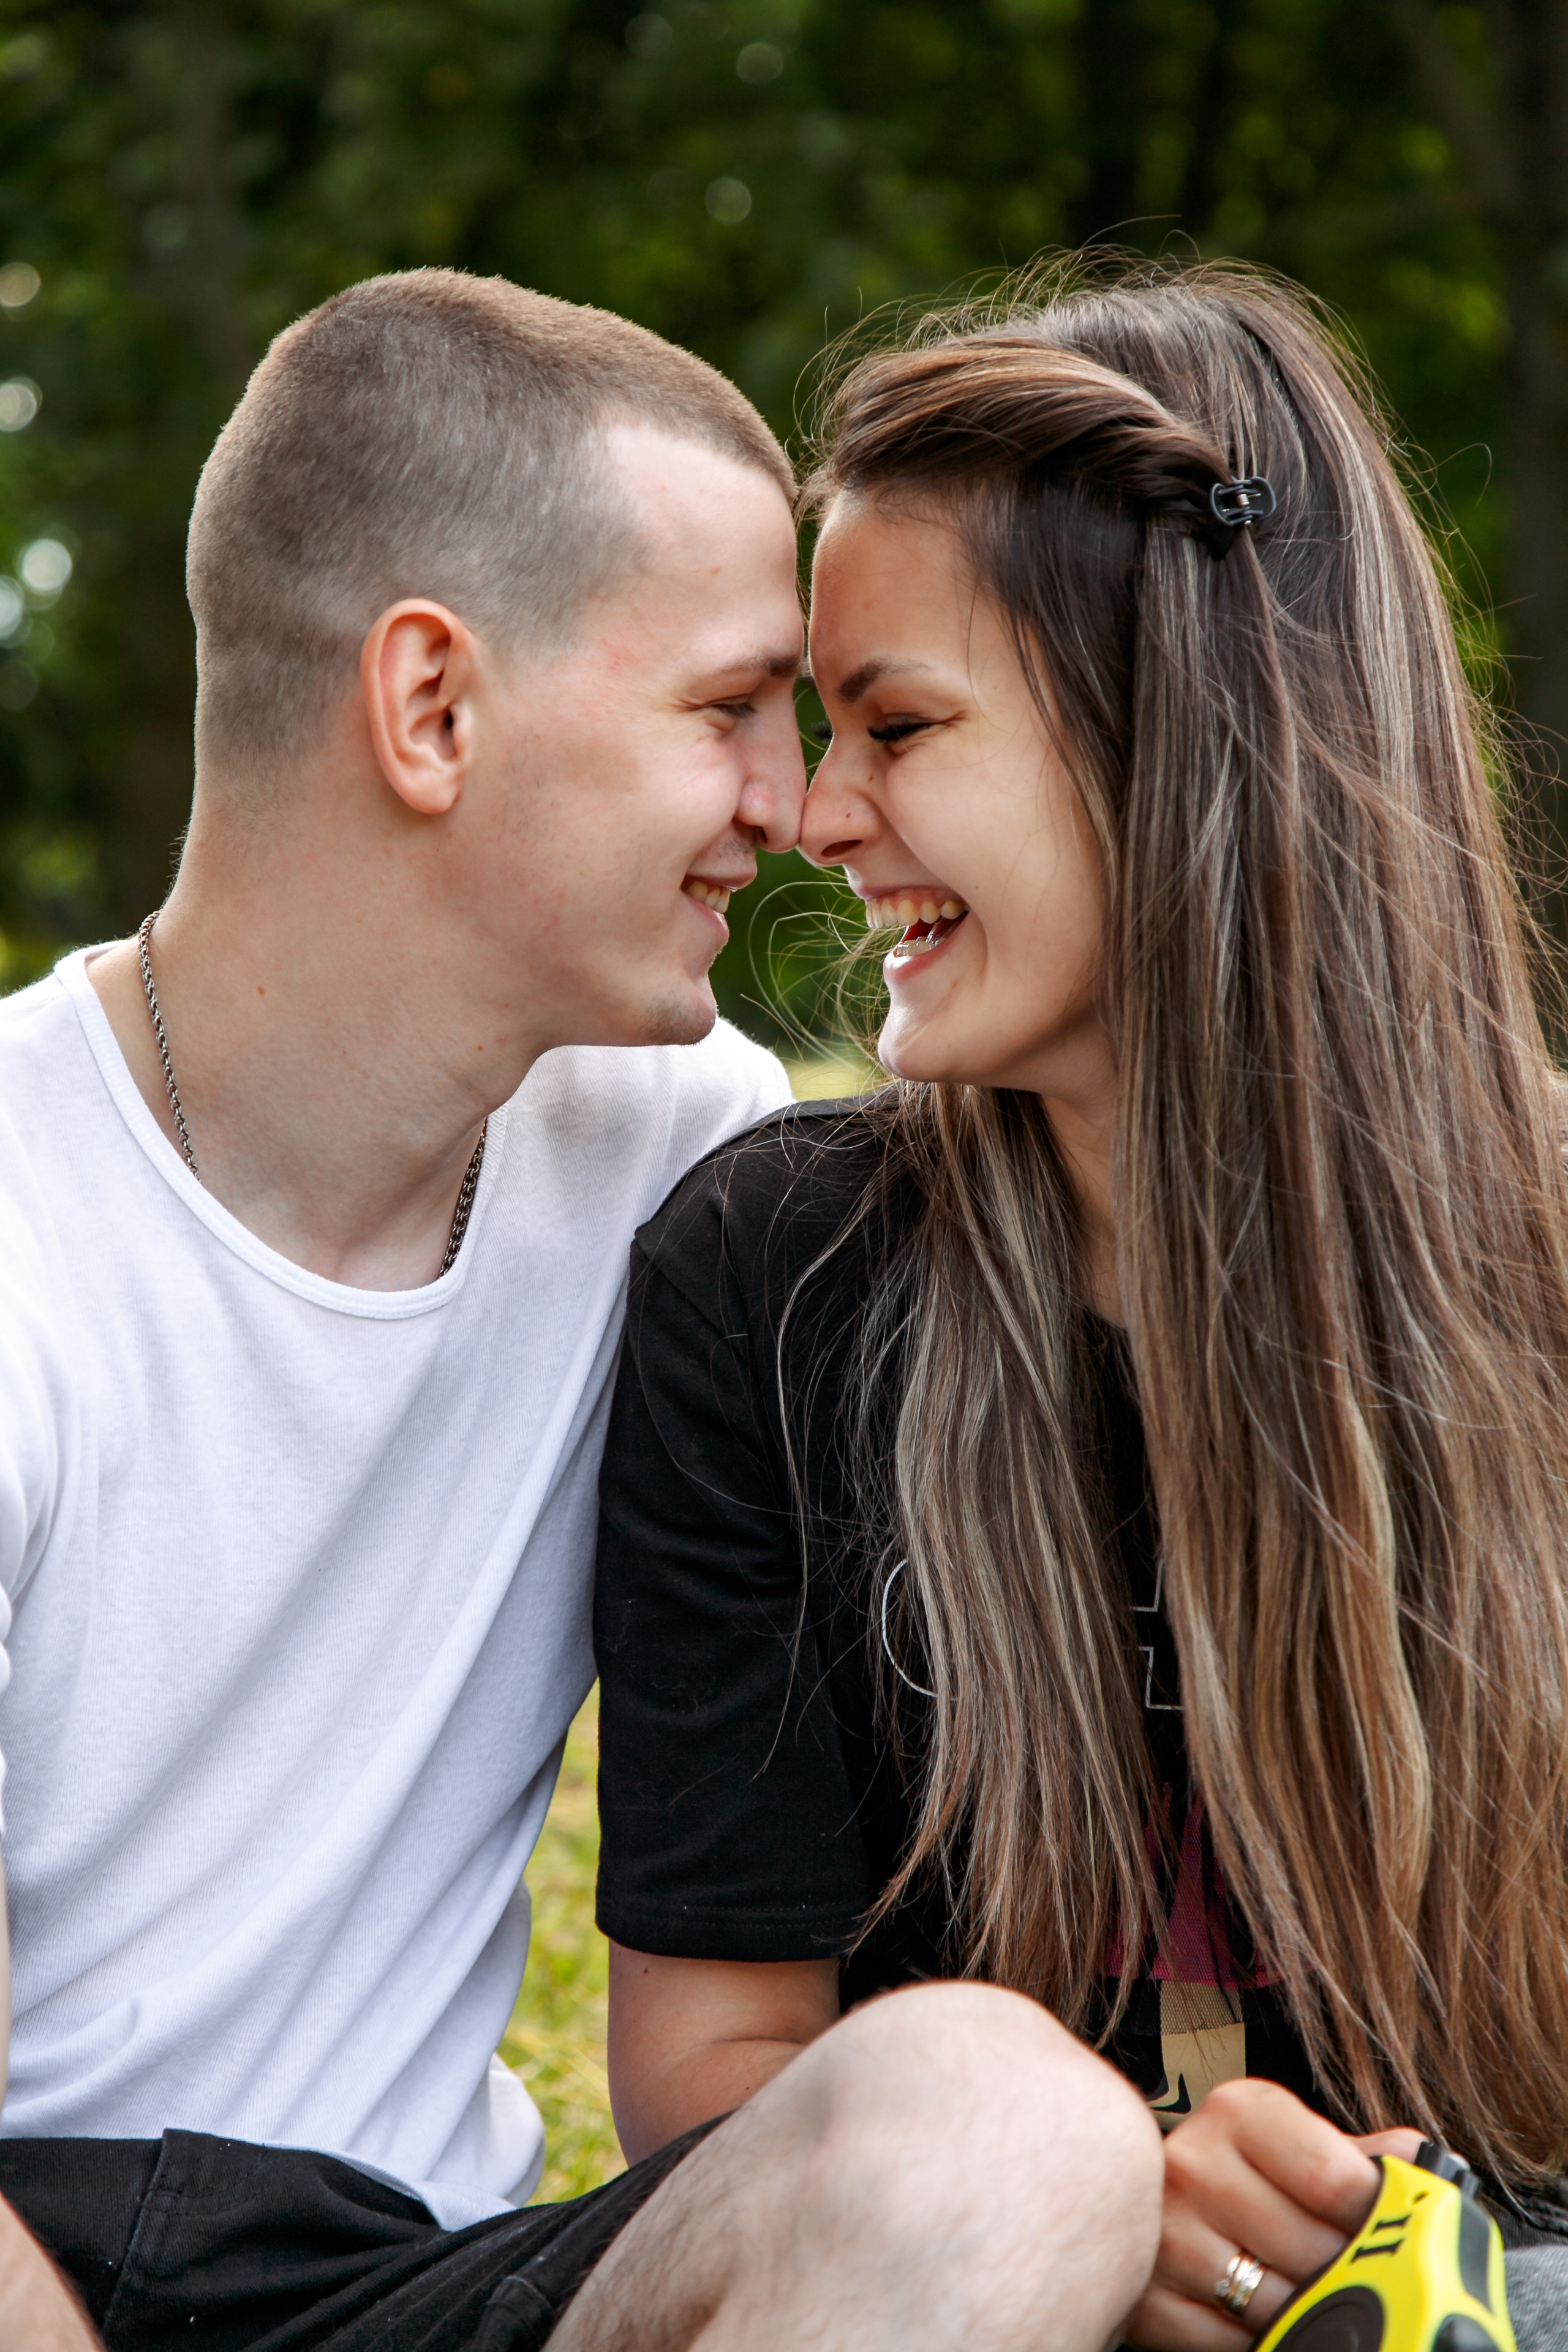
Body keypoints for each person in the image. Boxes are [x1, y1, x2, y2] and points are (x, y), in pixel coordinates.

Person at [0, 266, 1170, 2352]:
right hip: (40, 2250)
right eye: (727, 710)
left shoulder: (681, 1160)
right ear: (431, 709)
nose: (795, 806)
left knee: (1001, 2131)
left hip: (426, 2289)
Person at [594, 259, 1568, 2352]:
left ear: (1176, 725)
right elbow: (715, 2082)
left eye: (899, 727)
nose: (816, 817)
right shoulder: (775, 1281)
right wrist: (1107, 2204)